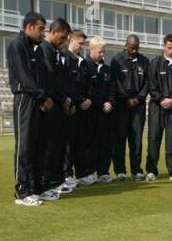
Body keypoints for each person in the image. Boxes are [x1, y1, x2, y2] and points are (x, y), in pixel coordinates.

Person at [5, 10, 51, 206]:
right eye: (41, 29)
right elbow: (24, 77)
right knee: (24, 146)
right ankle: (22, 192)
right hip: (25, 99)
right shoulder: (16, 46)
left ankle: (36, 188)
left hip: (39, 100)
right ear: (30, 27)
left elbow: (41, 77)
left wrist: (44, 97)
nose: (43, 33)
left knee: (38, 145)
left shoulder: (38, 50)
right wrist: (42, 96)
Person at [38, 17, 73, 199]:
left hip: (60, 105)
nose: (65, 41)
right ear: (55, 33)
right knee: (49, 147)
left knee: (58, 146)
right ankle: (46, 183)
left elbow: (61, 80)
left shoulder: (55, 51)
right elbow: (50, 79)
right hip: (51, 105)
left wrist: (67, 99)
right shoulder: (45, 50)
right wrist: (60, 98)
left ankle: (56, 181)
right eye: (63, 37)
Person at [146, 33, 172, 180]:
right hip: (157, 106)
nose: (171, 51)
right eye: (169, 47)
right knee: (154, 138)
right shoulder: (155, 63)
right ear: (164, 46)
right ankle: (151, 171)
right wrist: (162, 99)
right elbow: (152, 85)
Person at [111, 34, 149, 180]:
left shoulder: (144, 61)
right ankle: (120, 170)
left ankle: (136, 170)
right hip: (121, 105)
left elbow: (147, 83)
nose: (134, 51)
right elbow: (116, 83)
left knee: (136, 139)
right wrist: (126, 98)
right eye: (132, 48)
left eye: (137, 48)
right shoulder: (117, 60)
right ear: (126, 45)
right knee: (120, 138)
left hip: (138, 106)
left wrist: (138, 98)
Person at [82, 37, 117, 183]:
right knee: (89, 143)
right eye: (100, 51)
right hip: (90, 112)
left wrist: (110, 102)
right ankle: (88, 172)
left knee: (105, 142)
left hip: (105, 112)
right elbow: (86, 89)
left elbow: (112, 89)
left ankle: (103, 171)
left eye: (104, 52)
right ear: (92, 50)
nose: (103, 54)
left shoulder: (107, 69)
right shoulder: (84, 66)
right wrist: (97, 102)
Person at [65, 29, 95, 186]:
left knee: (82, 141)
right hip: (71, 107)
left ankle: (82, 173)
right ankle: (67, 173)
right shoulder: (65, 58)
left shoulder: (84, 62)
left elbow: (89, 84)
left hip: (84, 107)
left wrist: (88, 99)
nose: (81, 47)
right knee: (69, 142)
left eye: (83, 44)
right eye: (79, 43)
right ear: (71, 40)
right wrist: (74, 101)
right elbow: (66, 84)